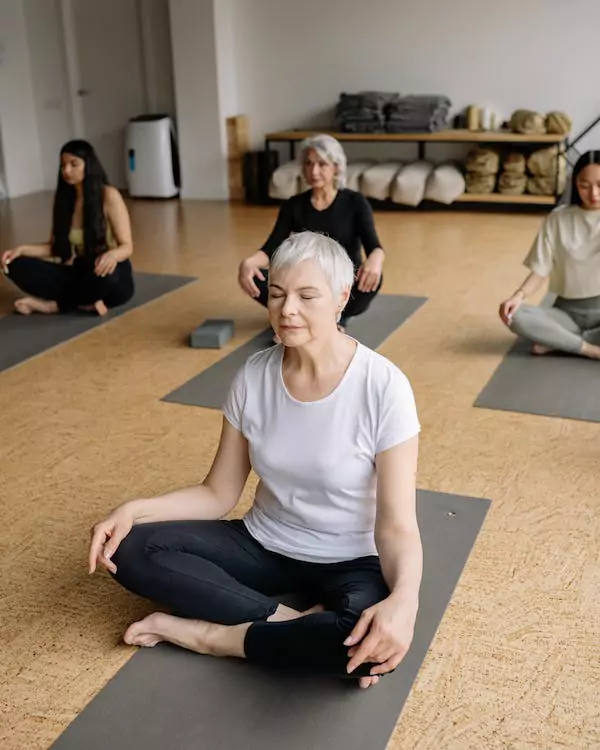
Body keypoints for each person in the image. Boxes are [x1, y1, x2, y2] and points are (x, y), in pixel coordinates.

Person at [89, 231, 422, 690]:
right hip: (265, 542)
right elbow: (217, 493)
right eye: (278, 294)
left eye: (307, 296)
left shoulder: (384, 387)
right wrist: (133, 510)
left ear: (343, 297)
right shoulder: (253, 375)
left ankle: (210, 637)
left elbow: (397, 527)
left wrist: (405, 600)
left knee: (375, 648)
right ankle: (292, 626)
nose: (287, 310)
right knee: (127, 550)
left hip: (353, 558)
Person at [238, 134, 386, 334]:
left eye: (322, 164)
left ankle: (334, 316)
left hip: (342, 281)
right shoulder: (293, 205)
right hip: (304, 280)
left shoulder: (355, 202)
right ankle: (311, 315)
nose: (314, 171)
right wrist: (249, 262)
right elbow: (271, 247)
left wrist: (375, 261)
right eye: (308, 163)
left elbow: (374, 246)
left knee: (373, 278)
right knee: (256, 277)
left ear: (336, 167)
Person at [1, 140, 134, 316]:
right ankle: (85, 301)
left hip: (110, 274)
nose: (67, 170)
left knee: (106, 276)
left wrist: (111, 256)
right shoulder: (64, 200)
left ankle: (53, 306)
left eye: (74, 164)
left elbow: (127, 246)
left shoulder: (108, 195)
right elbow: (54, 247)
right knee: (12, 264)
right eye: (63, 165)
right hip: (81, 272)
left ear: (88, 165)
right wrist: (20, 250)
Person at [499, 150, 600, 359]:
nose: (594, 194)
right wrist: (517, 296)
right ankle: (589, 349)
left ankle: (560, 341)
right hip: (566, 314)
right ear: (574, 183)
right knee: (516, 315)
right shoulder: (558, 219)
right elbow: (540, 269)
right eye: (584, 185)